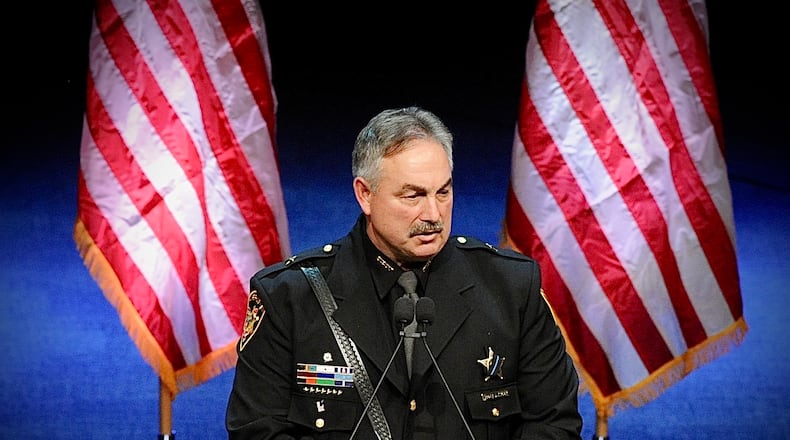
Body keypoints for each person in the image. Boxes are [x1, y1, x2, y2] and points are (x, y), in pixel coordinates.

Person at [226, 106, 583, 439]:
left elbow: (554, 423)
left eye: (443, 192)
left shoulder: (512, 289)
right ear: (365, 195)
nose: (433, 214)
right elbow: (257, 430)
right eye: (413, 196)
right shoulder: (290, 298)